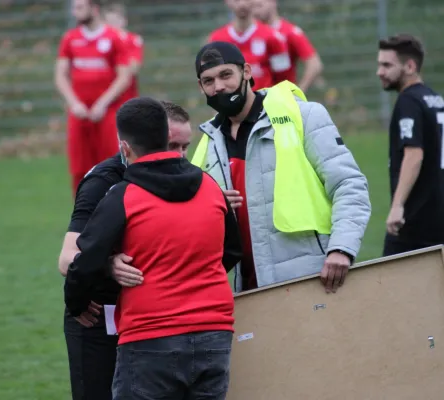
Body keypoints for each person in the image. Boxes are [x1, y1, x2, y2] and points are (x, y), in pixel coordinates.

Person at [64, 96, 242, 400]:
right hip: (214, 331)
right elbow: (232, 250)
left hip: (150, 335)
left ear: (125, 148)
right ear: (166, 138)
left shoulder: (124, 194)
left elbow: (82, 262)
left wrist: (77, 304)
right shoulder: (210, 186)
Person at [190, 41, 371, 293]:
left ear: (246, 72)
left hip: (315, 279)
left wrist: (341, 248)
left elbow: (349, 185)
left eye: (226, 74)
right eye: (208, 81)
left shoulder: (305, 116)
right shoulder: (208, 141)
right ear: (201, 87)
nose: (219, 86)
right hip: (248, 289)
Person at [58, 100, 194, 400]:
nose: (180, 156)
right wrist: (107, 265)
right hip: (97, 317)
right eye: (172, 145)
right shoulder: (103, 182)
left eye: (185, 147)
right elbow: (67, 258)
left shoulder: (185, 178)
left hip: (150, 315)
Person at [55, 0, 133, 196]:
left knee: (112, 163)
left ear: (94, 9)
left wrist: (102, 103)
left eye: (80, 7)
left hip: (107, 114)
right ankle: (82, 216)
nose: (75, 12)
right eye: (74, 7)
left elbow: (124, 76)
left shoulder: (114, 38)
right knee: (79, 168)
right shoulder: (70, 39)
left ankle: (114, 210)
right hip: (80, 114)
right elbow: (60, 75)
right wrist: (74, 103)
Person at [376, 34, 444, 256]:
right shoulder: (435, 99)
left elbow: (414, 154)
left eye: (387, 65)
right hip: (438, 215)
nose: (380, 72)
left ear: (410, 66)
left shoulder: (409, 101)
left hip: (414, 220)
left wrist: (397, 207)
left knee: (388, 286)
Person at [207, 0, 291, 90]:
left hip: (265, 101)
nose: (242, 4)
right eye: (236, 0)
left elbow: (284, 77)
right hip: (231, 102)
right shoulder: (216, 39)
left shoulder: (273, 36)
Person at [252, 0, 323, 92]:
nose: (255, 11)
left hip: (280, 97)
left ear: (273, 2)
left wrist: (299, 91)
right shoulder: (248, 33)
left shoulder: (290, 32)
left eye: (259, 5)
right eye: (252, 6)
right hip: (254, 97)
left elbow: (315, 64)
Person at [102, 1, 144, 104]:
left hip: (127, 96)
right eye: (108, 22)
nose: (112, 26)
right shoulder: (101, 42)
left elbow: (133, 68)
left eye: (115, 21)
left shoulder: (133, 40)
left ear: (124, 21)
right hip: (102, 96)